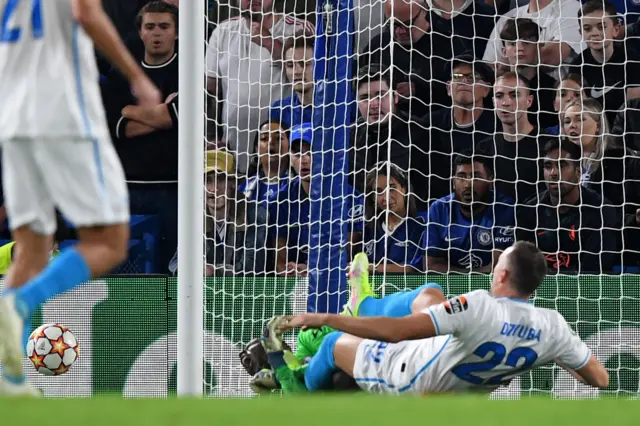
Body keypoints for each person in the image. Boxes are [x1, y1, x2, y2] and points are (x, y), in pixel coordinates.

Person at [0, 0, 161, 395]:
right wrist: (137, 76)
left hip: (13, 119)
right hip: (64, 113)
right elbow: (86, 12)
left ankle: (9, 378)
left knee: (31, 250)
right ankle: (18, 304)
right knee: (109, 241)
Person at [261, 246, 609, 394]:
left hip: (415, 380)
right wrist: (548, 353)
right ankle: (364, 303)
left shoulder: (481, 305)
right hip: (452, 369)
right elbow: (600, 379)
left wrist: (324, 317)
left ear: (501, 275)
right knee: (430, 293)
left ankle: (297, 387)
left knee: (333, 344)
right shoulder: (553, 327)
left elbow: (396, 334)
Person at [516, 139, 617, 274]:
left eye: (562, 165)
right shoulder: (529, 210)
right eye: (548, 166)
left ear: (578, 172)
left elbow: (594, 271)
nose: (553, 173)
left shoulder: (600, 210)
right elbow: (523, 268)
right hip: (539, 289)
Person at [168, 150, 268, 276]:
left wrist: (214, 271)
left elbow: (252, 267)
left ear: (233, 183)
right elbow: (176, 263)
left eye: (220, 179)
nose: (213, 189)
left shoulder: (256, 214)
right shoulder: (193, 217)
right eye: (207, 180)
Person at [425, 154, 515, 274]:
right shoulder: (439, 209)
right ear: (453, 182)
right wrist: (465, 280)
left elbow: (499, 266)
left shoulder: (504, 208)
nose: (467, 184)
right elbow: (431, 265)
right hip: (451, 287)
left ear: (490, 180)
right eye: (461, 177)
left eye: (476, 177)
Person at [567, 0, 640, 126]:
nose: (594, 33)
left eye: (602, 27)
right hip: (593, 131)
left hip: (625, 131)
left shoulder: (631, 59)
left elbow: (633, 109)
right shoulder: (577, 66)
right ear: (581, 33)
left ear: (616, 30)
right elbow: (578, 108)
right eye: (587, 29)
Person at [361, 163, 427, 274]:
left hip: (410, 289)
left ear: (404, 189)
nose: (386, 196)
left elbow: (413, 267)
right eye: (379, 191)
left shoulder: (422, 223)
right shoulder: (368, 229)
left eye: (392, 188)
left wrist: (372, 268)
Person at [238, 120, 290, 205]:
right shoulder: (242, 190)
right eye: (264, 138)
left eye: (278, 138)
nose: (271, 142)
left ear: (289, 147)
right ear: (257, 149)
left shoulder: (301, 186)